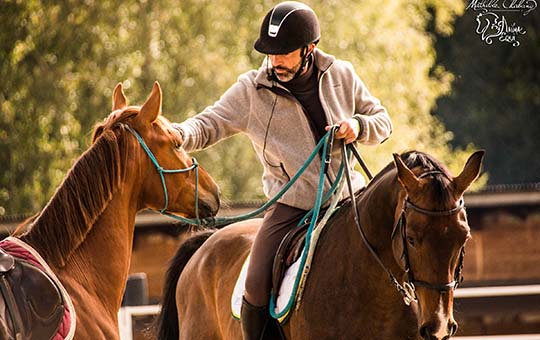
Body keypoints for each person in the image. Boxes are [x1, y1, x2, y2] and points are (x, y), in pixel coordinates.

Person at [172, 1, 392, 339]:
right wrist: (178, 135)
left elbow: (383, 121)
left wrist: (358, 127)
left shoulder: (342, 74)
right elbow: (209, 123)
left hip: (350, 199)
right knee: (256, 282)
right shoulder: (251, 91)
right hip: (290, 208)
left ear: (309, 49)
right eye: (270, 52)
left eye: (284, 52)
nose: (275, 60)